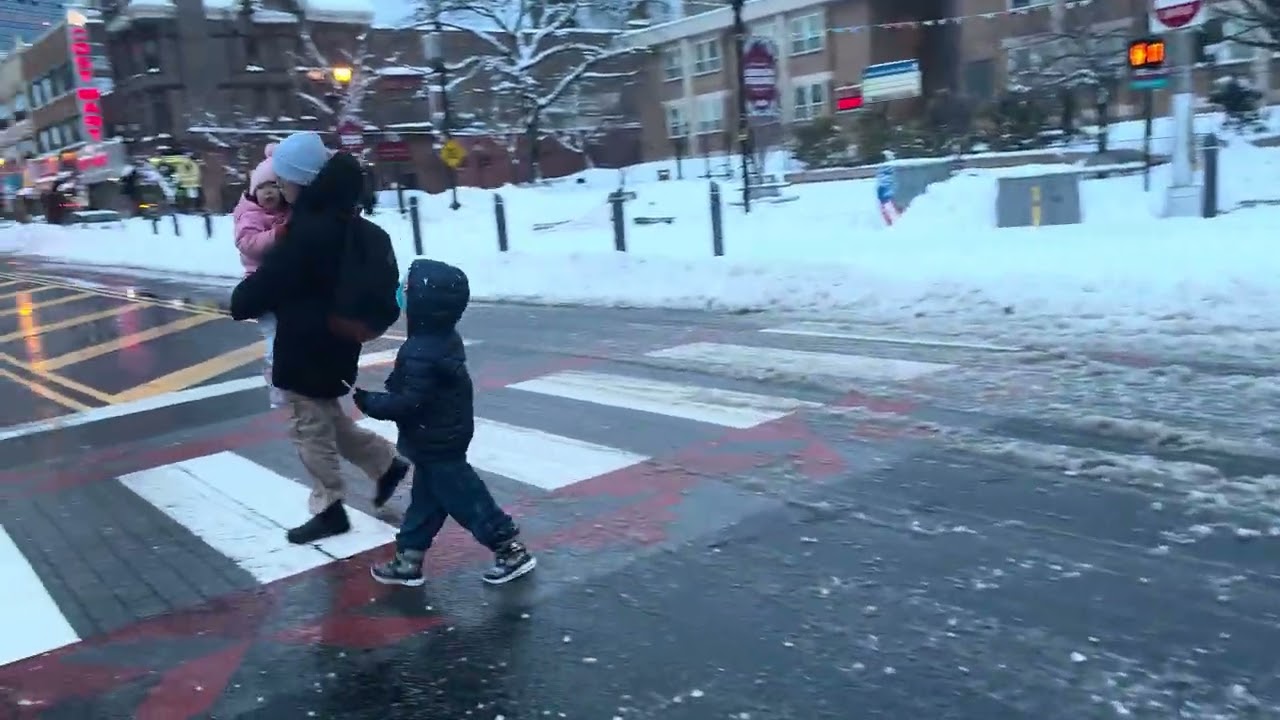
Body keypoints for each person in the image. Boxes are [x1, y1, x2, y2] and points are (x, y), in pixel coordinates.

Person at [229, 131, 409, 545]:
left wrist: (240, 299)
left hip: (304, 349)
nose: (282, 188)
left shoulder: (307, 231)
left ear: (301, 182)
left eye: (286, 180)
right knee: (325, 417)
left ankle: (329, 507)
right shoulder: (352, 223)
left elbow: (261, 289)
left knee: (307, 427)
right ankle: (385, 465)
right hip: (338, 346)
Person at [353, 259, 537, 587]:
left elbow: (409, 402)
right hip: (437, 437)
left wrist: (370, 403)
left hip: (436, 440)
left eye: (406, 290)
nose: (401, 294)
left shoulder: (422, 350)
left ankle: (510, 549)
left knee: (465, 497)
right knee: (425, 504)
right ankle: (409, 559)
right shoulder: (438, 338)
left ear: (423, 303)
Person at [232, 143, 289, 408]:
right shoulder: (250, 214)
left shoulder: (283, 213)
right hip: (261, 284)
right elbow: (247, 244)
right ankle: (276, 383)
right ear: (254, 191)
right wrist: (277, 234)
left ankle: (287, 378)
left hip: (281, 283)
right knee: (274, 337)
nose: (269, 193)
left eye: (275, 186)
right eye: (264, 188)